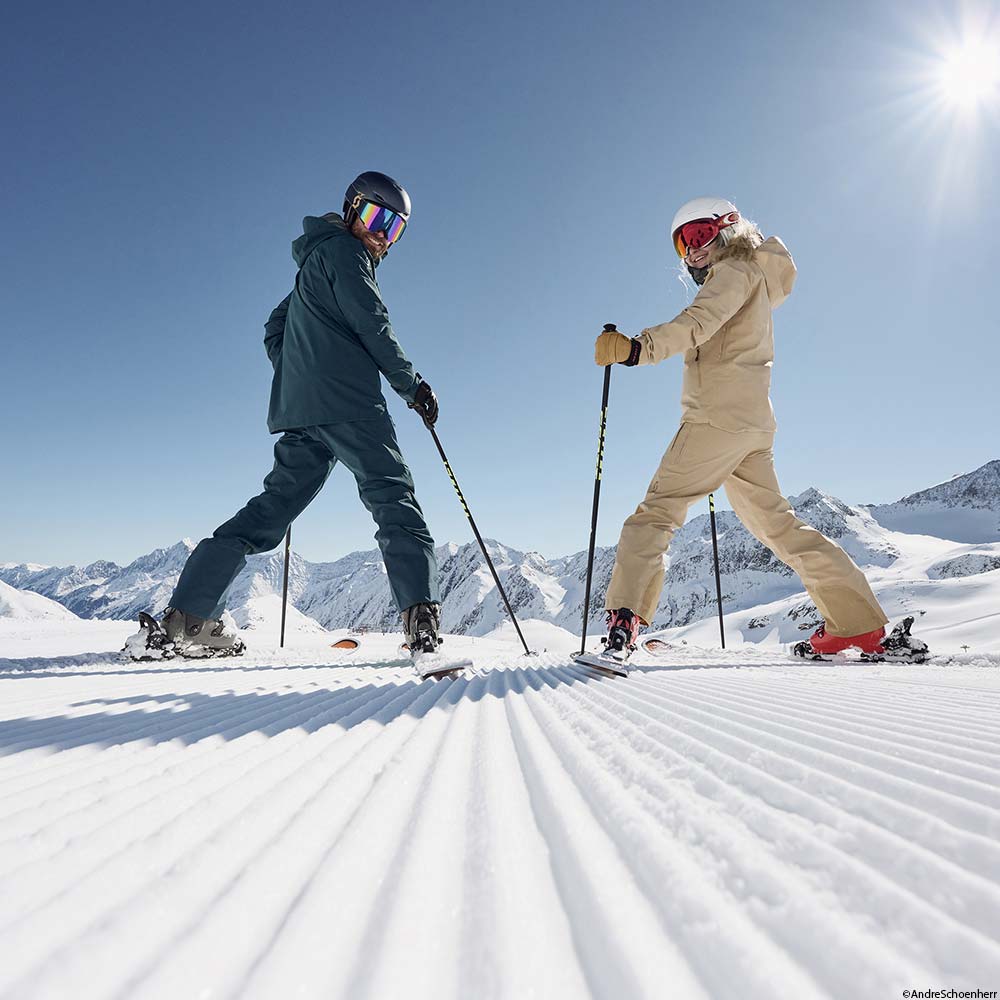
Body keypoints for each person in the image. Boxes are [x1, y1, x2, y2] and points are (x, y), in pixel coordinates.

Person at [137, 171, 442, 658]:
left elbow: (274, 328)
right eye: (374, 216)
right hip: (351, 405)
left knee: (268, 513)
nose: (382, 233)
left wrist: (302, 373)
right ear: (351, 211)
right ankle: (421, 624)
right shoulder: (347, 255)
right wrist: (413, 386)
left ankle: (186, 619)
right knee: (392, 496)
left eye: (395, 226)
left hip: (302, 412)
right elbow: (374, 326)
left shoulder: (313, 266)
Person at [593, 196, 899, 660]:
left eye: (698, 236)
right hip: (752, 425)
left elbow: (697, 323)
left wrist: (637, 348)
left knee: (656, 513)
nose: (692, 251)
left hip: (715, 420)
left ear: (728, 227)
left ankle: (623, 623)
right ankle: (857, 624)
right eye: (683, 244)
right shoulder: (753, 277)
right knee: (780, 527)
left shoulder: (733, 272)